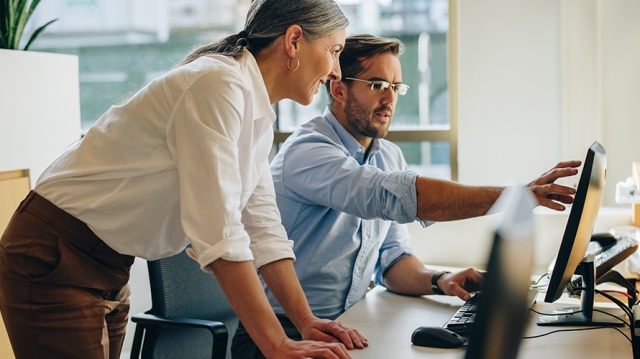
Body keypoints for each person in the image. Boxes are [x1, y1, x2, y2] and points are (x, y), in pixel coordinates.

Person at [0, 1, 369, 358]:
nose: (336, 70)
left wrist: (305, 322)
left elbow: (262, 227)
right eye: (334, 51)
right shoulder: (218, 86)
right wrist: (276, 345)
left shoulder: (254, 110)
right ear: (293, 41)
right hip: (56, 252)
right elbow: (220, 233)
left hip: (110, 262)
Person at [232, 34, 581, 357]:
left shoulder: (388, 156)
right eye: (378, 85)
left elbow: (392, 258)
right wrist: (516, 196)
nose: (390, 99)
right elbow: (390, 197)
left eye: (396, 87)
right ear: (338, 89)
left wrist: (439, 280)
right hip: (281, 334)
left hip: (350, 325)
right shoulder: (308, 151)